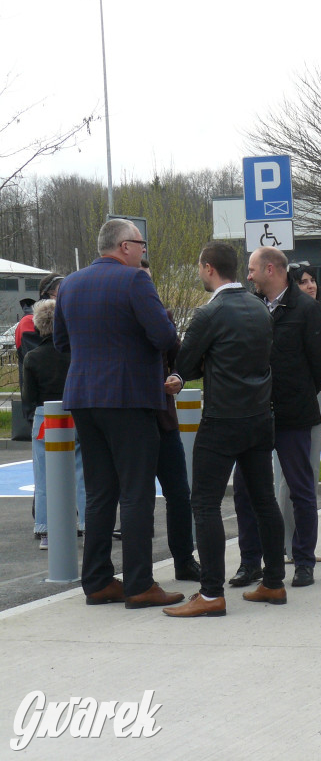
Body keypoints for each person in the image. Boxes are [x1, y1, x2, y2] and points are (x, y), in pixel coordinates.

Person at [53, 218, 183, 610]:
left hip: (84, 398)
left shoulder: (70, 283)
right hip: (129, 397)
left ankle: (97, 581)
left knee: (99, 492)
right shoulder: (135, 281)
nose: (144, 251)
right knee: (137, 492)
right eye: (141, 244)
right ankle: (140, 583)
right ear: (125, 246)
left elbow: (61, 342)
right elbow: (164, 337)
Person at [164, 241, 288, 617]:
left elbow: (184, 364)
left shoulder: (209, 313)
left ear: (207, 268)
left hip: (221, 420)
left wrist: (177, 376)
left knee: (204, 503)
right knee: (264, 500)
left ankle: (211, 593)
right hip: (258, 417)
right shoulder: (259, 307)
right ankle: (274, 583)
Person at [229, 247, 321, 588]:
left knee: (299, 490)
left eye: (252, 270)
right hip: (254, 415)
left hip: (292, 416)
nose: (248, 276)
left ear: (270, 269)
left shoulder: (307, 310)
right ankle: (250, 562)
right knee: (245, 492)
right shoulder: (250, 306)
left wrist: (297, 395)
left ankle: (303, 560)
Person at [139, 258, 201, 583]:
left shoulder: (163, 318)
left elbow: (180, 358)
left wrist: (177, 376)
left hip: (164, 419)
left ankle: (184, 559)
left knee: (179, 493)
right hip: (133, 421)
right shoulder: (123, 319)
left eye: (147, 281)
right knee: (139, 498)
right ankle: (141, 570)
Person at [23, 299, 86, 549]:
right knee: (83, 472)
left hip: (45, 416)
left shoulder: (33, 357)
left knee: (45, 476)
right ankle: (88, 525)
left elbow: (28, 397)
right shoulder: (77, 355)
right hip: (76, 413)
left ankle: (47, 530)